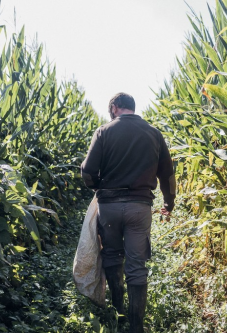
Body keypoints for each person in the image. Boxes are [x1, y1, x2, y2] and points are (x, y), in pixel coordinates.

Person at [81, 92, 175, 332]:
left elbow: (88, 171)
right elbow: (167, 173)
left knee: (112, 256)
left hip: (109, 207)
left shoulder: (103, 132)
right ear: (132, 107)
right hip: (139, 207)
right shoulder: (154, 133)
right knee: (137, 265)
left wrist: (98, 187)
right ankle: (136, 326)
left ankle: (118, 312)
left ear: (114, 107)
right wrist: (169, 201)